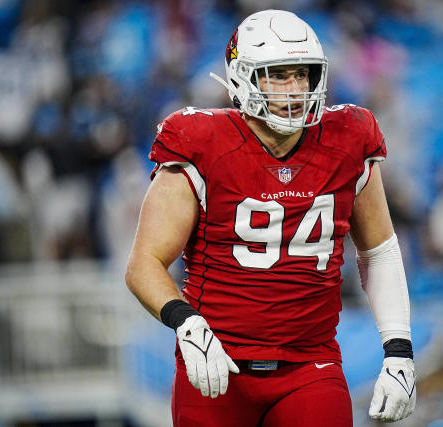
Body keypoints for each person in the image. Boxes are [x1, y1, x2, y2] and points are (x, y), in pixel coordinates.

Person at [125, 9, 415, 426]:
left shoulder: (348, 137)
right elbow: (143, 263)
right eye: (278, 75)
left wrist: (398, 349)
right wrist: (186, 323)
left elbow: (379, 251)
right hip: (218, 364)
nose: (295, 88)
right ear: (243, 77)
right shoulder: (201, 143)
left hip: (310, 365)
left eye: (303, 74)